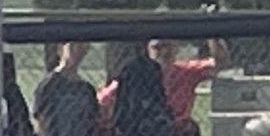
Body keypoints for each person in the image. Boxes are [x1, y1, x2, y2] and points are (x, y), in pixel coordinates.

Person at [98, 37, 229, 122]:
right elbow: (102, 101)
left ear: (176, 48)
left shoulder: (186, 72)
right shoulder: (135, 78)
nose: (164, 52)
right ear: (147, 51)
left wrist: (213, 37)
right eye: (157, 48)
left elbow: (220, 62)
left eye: (169, 46)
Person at [33, 40, 101, 136]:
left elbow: (92, 122)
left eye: (82, 46)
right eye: (73, 46)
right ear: (61, 48)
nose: (78, 51)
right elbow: (41, 121)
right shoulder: (49, 85)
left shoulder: (86, 89)